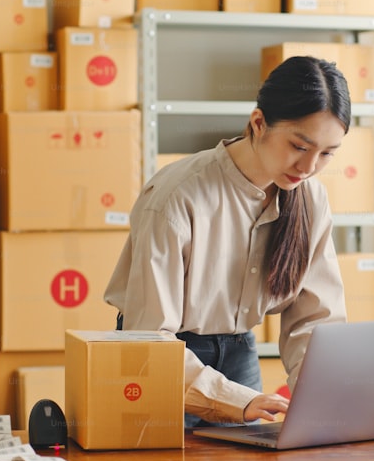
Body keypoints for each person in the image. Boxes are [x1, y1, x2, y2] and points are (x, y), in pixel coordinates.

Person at [104, 55, 350, 427]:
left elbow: (314, 321)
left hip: (239, 353)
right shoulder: (178, 196)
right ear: (259, 123)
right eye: (300, 146)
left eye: (327, 154)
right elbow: (148, 339)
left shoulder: (310, 200)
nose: (309, 167)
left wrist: (320, 397)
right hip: (162, 361)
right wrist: (234, 399)